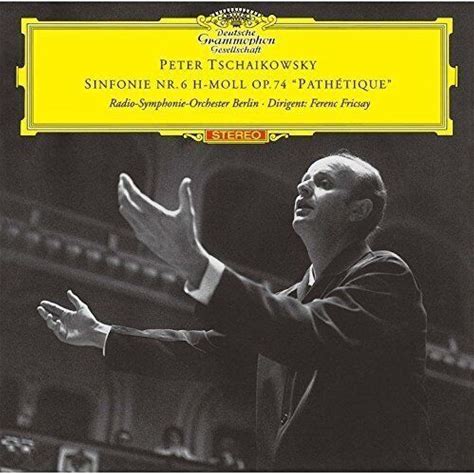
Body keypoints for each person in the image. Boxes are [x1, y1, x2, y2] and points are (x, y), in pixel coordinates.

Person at [37, 150, 431, 470]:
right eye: (304, 180)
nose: (303, 187)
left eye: (324, 183)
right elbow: (207, 350)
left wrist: (199, 266)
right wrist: (101, 334)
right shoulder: (293, 299)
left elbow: (307, 332)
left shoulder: (385, 275)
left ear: (358, 210)